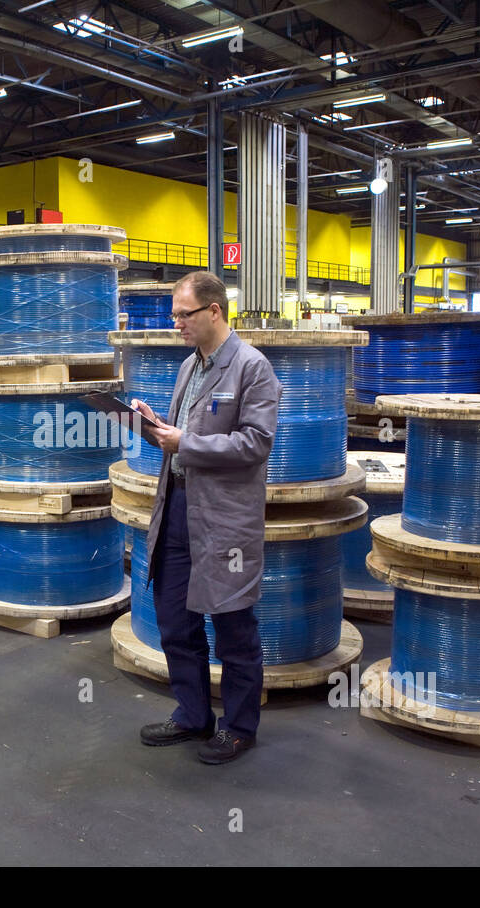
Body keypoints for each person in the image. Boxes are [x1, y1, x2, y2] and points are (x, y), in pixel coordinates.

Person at [129, 271, 281, 764]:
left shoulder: (252, 369)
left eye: (183, 314)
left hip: (224, 523)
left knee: (234, 627)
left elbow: (256, 444)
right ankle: (193, 715)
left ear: (214, 311)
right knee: (175, 621)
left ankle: (239, 728)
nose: (176, 324)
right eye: (175, 315)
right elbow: (184, 434)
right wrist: (153, 426)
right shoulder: (188, 367)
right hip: (176, 509)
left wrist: (185, 443)